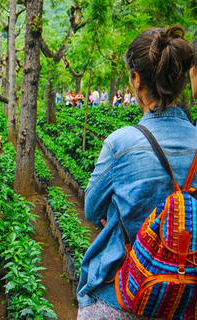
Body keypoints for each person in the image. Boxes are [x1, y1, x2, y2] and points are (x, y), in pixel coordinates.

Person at [77, 25, 197, 319]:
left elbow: (92, 210)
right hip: (183, 294)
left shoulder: (122, 143)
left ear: (135, 80)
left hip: (123, 291)